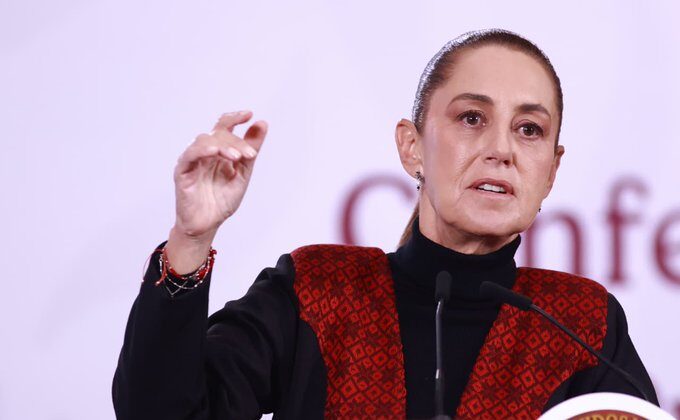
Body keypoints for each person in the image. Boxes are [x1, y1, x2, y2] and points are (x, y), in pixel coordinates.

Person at [112, 29, 658, 419]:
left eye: (529, 129)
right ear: (411, 146)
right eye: (472, 118)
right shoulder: (316, 289)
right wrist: (192, 238)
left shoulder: (582, 323)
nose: (501, 149)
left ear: (552, 170)